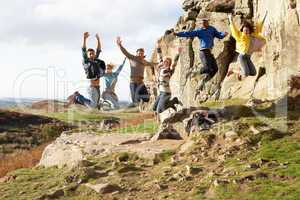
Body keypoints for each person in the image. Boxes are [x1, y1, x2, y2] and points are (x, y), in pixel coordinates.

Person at [175, 17, 228, 94]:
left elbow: (219, 35)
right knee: (207, 67)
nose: (203, 24)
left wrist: (224, 34)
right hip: (203, 52)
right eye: (202, 22)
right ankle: (194, 71)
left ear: (207, 22)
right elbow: (188, 33)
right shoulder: (199, 31)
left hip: (209, 52)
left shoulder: (212, 29)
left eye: (205, 22)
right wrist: (177, 34)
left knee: (215, 69)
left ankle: (204, 81)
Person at [116, 36, 155, 107]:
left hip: (141, 82)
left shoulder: (144, 61)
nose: (140, 54)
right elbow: (125, 52)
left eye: (142, 53)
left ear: (143, 54)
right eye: (139, 53)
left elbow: (152, 64)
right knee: (135, 100)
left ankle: (139, 97)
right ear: (136, 54)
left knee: (147, 99)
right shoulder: (132, 58)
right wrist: (120, 45)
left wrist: (160, 64)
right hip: (133, 82)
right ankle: (136, 103)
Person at [227, 13, 267, 79]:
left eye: (247, 30)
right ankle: (233, 71)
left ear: (249, 31)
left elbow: (259, 27)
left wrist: (264, 16)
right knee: (246, 73)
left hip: (248, 57)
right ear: (242, 30)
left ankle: (241, 71)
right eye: (244, 30)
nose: (245, 31)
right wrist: (230, 20)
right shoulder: (239, 36)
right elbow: (233, 29)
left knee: (254, 73)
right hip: (242, 56)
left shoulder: (252, 35)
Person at [152, 45, 183, 121]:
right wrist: (158, 47)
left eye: (168, 62)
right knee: (154, 108)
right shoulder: (161, 67)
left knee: (160, 110)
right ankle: (172, 103)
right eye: (165, 61)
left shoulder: (170, 70)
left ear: (169, 63)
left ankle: (173, 101)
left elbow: (174, 63)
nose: (165, 62)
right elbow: (160, 56)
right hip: (161, 92)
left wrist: (178, 53)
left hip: (166, 92)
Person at [82, 32, 106, 109]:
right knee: (93, 106)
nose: (92, 55)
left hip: (98, 87)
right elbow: (83, 50)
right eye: (90, 54)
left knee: (96, 106)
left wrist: (98, 39)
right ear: (88, 55)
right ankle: (78, 97)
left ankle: (99, 105)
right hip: (91, 87)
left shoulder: (96, 60)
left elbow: (98, 49)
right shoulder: (86, 61)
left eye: (93, 53)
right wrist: (84, 39)